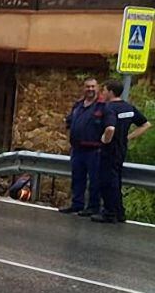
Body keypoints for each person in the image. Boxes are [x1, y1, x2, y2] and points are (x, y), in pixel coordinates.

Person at [92, 79, 151, 223]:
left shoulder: (109, 108)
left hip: (109, 150)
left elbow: (110, 128)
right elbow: (146, 124)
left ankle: (109, 213)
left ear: (111, 92)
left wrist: (105, 140)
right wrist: (128, 137)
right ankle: (119, 212)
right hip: (121, 150)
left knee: (107, 181)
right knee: (116, 181)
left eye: (104, 90)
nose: (103, 93)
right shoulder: (128, 108)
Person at [58, 78, 105, 216]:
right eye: (87, 87)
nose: (90, 89)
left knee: (95, 181)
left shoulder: (102, 106)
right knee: (77, 179)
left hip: (94, 150)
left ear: (98, 88)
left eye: (93, 87)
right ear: (83, 88)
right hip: (77, 150)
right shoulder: (78, 105)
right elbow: (69, 121)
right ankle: (77, 204)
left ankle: (93, 207)